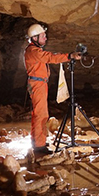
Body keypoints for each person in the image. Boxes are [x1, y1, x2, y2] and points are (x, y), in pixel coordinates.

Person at [24, 23, 82, 154]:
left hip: (39, 84)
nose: (46, 38)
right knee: (41, 115)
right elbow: (50, 57)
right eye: (43, 36)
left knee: (37, 114)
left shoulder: (33, 50)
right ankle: (39, 146)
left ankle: (37, 141)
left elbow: (49, 56)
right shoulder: (33, 51)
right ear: (34, 38)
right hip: (38, 85)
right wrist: (69, 56)